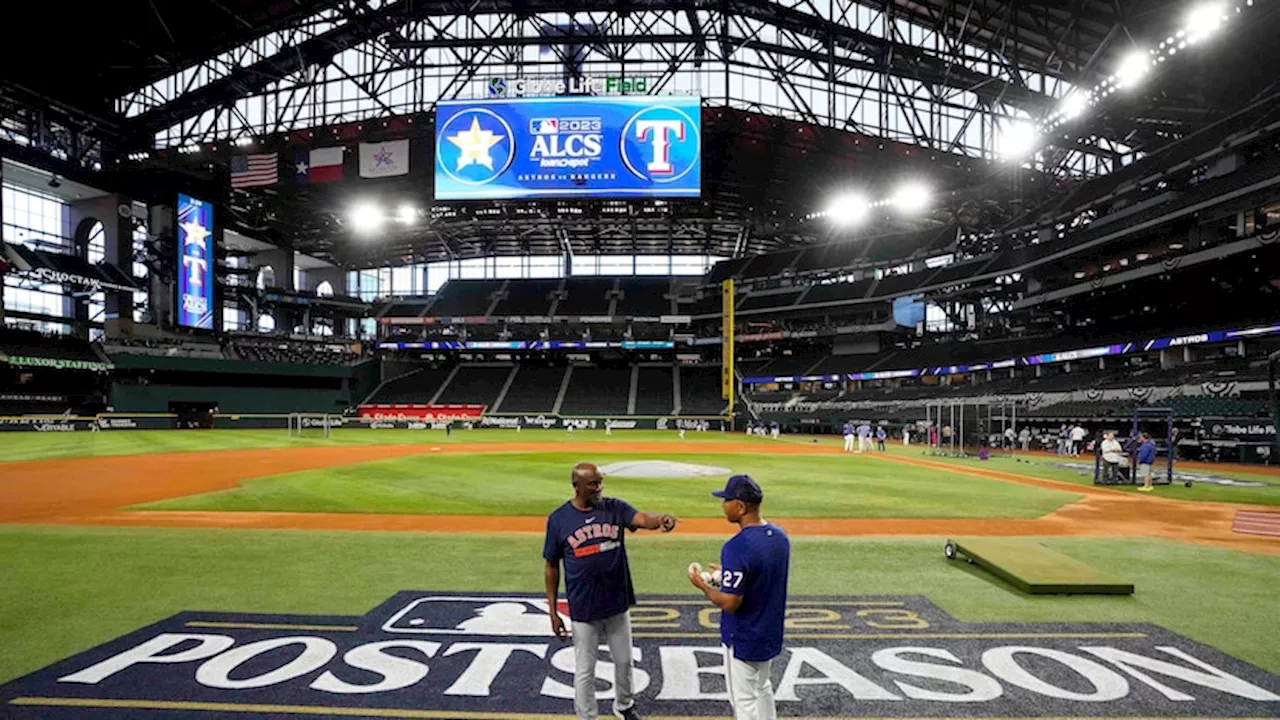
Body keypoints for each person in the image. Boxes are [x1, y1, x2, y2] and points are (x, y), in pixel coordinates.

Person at [544, 462, 680, 720]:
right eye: (593, 484)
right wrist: (552, 611)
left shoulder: (614, 508)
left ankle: (624, 705)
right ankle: (587, 715)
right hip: (584, 608)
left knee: (624, 661)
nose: (599, 488)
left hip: (616, 603)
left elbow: (641, 519)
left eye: (600, 482)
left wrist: (660, 520)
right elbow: (551, 565)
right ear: (577, 486)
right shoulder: (559, 520)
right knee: (585, 669)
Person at [688, 475, 789, 720]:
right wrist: (725, 575)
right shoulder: (780, 537)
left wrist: (702, 585)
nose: (723, 505)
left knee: (743, 701)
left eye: (727, 500)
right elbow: (759, 576)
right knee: (763, 688)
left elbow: (731, 603)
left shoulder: (736, 546)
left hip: (743, 635)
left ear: (741, 507)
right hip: (769, 631)